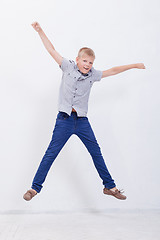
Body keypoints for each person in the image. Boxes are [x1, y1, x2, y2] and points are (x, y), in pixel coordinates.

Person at [23, 22, 145, 201]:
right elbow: (51, 50)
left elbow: (112, 71)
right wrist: (40, 31)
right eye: (85, 61)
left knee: (96, 152)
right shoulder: (67, 66)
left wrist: (134, 65)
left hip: (81, 122)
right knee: (51, 153)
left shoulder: (93, 74)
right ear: (78, 59)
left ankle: (110, 186)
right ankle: (34, 188)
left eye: (91, 62)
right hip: (64, 120)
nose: (88, 64)